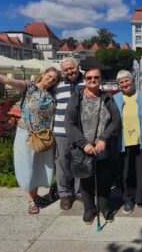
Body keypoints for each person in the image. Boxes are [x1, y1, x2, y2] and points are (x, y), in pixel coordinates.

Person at [0, 68, 61, 214]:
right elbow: (7, 80)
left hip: (43, 136)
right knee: (27, 167)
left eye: (54, 79)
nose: (51, 80)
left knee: (39, 167)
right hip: (26, 134)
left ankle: (35, 196)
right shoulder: (29, 87)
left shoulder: (51, 94)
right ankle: (30, 200)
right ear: (43, 75)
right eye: (49, 76)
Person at [65, 68, 120, 225]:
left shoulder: (108, 98)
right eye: (89, 77)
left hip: (102, 147)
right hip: (83, 148)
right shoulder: (77, 97)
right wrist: (83, 143)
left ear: (101, 80)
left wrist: (104, 138)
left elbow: (116, 121)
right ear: (85, 80)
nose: (93, 80)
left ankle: (104, 206)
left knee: (104, 178)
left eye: (96, 77)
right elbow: (69, 123)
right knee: (86, 179)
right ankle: (89, 208)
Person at [113, 70, 142, 214]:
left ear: (132, 81)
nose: (125, 84)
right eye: (121, 82)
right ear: (119, 85)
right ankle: (127, 199)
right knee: (126, 173)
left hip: (141, 140)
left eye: (127, 80)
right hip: (124, 142)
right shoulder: (115, 99)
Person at [54, 57, 85, 210]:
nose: (69, 71)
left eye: (72, 68)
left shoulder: (88, 81)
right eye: (66, 70)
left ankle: (80, 192)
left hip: (81, 132)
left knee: (80, 161)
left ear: (78, 66)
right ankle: (65, 194)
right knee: (62, 163)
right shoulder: (57, 85)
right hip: (61, 132)